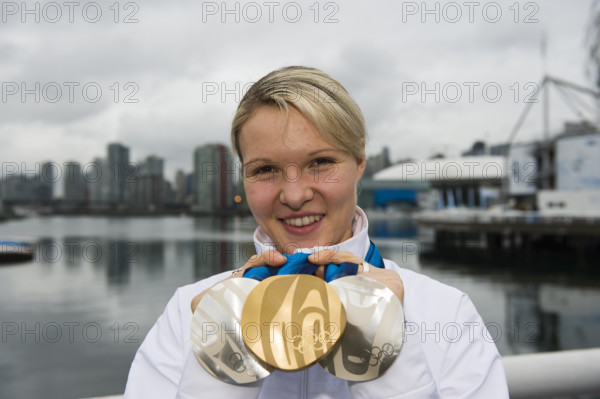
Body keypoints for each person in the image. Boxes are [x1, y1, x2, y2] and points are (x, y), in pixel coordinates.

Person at [124, 66, 509, 398]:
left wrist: (380, 341)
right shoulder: (190, 312)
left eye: (321, 162)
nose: (294, 195)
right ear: (243, 177)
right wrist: (225, 354)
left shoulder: (446, 313)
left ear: (360, 161)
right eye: (265, 170)